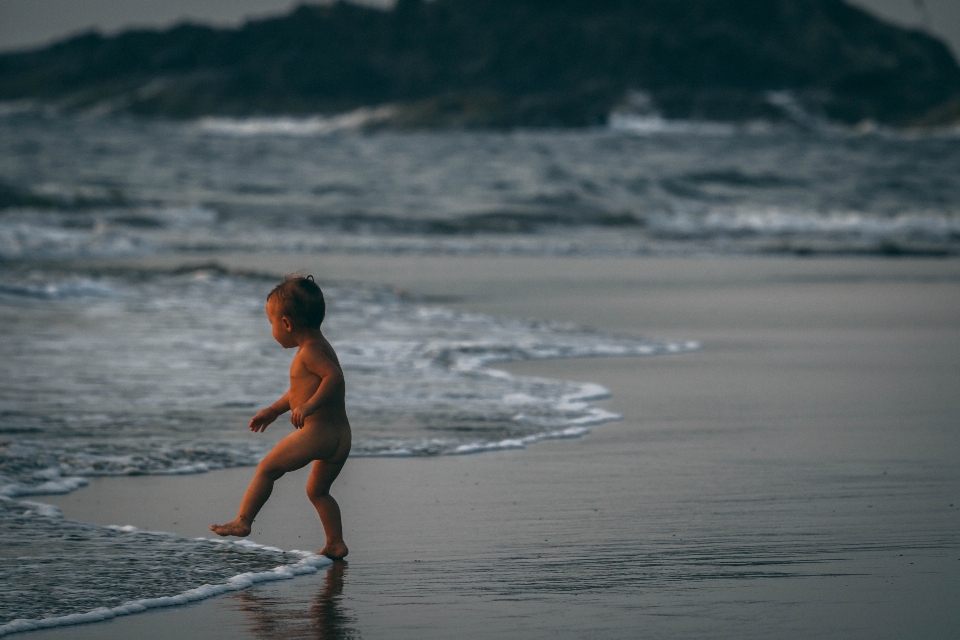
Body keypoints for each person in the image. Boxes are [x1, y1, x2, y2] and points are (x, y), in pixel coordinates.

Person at [211, 274, 351, 559]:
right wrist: (274, 410)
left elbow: (334, 378)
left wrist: (309, 407)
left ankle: (243, 521)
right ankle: (335, 543)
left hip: (318, 433)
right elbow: (299, 392)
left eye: (271, 323)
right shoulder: (321, 347)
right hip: (340, 436)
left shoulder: (309, 352)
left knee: (267, 469)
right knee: (318, 491)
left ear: (286, 323)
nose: (272, 330)